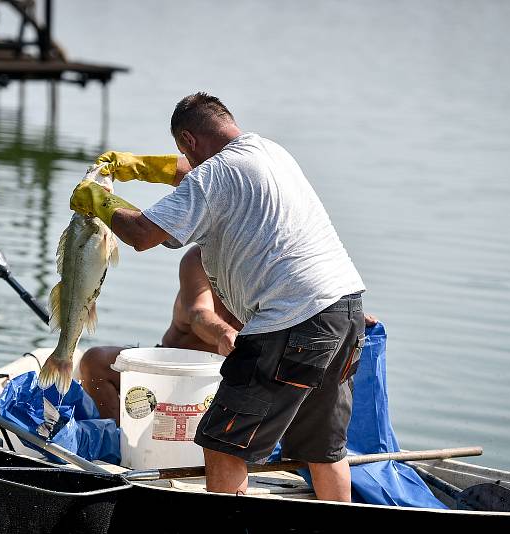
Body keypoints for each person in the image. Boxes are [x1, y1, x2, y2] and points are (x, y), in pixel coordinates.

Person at [70, 92, 366, 502]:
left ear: (189, 140)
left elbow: (140, 235)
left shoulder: (214, 176)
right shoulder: (267, 151)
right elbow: (195, 174)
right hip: (344, 308)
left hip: (291, 320)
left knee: (219, 441)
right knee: (323, 448)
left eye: (182, 152)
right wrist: (140, 167)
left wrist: (97, 200)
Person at [79, 244, 242, 424]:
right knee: (95, 361)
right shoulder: (202, 256)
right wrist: (224, 334)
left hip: (222, 384)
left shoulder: (272, 267)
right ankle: (119, 438)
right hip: (167, 369)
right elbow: (198, 313)